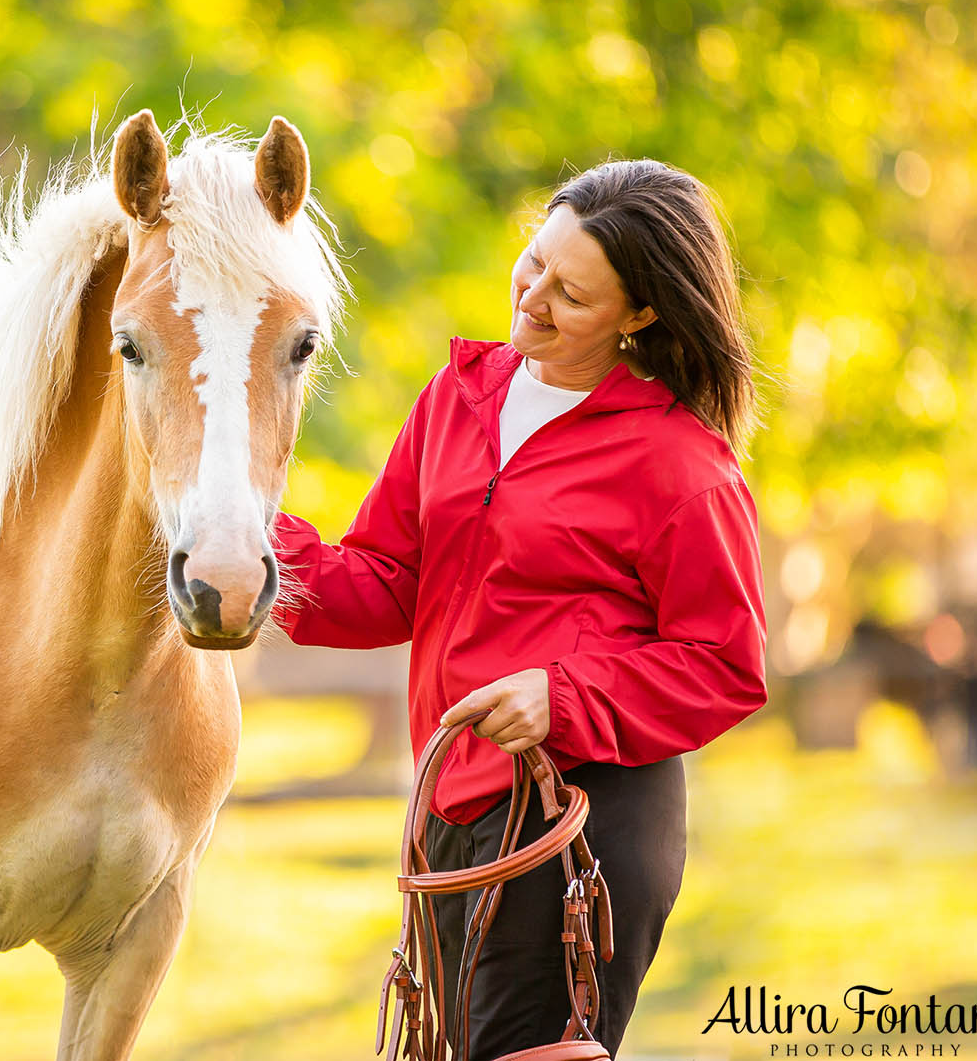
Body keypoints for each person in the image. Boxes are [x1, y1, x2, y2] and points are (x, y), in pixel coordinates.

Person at [269, 158, 769, 1059]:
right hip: (450, 809)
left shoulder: (681, 466)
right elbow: (388, 580)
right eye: (533, 262)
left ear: (640, 315)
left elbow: (725, 666)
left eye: (571, 295)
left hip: (582, 827)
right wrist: (257, 546)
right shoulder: (456, 398)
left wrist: (563, 697)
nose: (532, 298)